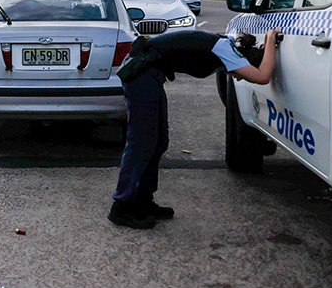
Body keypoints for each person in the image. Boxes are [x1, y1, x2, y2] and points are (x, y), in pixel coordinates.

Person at [109, 29, 280, 229]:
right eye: (242, 74)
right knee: (142, 141)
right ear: (245, 61)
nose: (239, 78)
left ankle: (142, 200)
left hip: (150, 74)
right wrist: (270, 39)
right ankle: (122, 206)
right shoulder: (228, 52)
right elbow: (262, 77)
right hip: (140, 73)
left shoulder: (227, 48)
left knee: (159, 141)